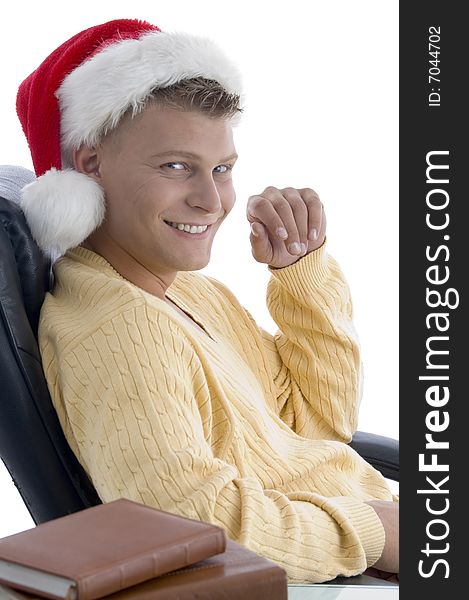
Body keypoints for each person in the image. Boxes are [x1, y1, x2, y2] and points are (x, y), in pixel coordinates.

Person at [16, 18, 398, 583]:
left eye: (221, 169)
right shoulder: (119, 332)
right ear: (89, 164)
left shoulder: (186, 291)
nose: (210, 200)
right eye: (175, 166)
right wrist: (377, 533)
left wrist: (300, 274)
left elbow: (317, 425)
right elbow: (192, 526)